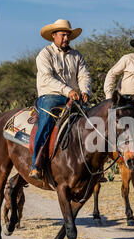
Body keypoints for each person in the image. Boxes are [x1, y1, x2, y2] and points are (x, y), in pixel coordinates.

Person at [30, 19, 91, 179]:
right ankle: (36, 163)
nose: (66, 38)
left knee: (92, 121)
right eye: (63, 35)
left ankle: (92, 165)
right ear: (54, 36)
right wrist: (68, 90)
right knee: (47, 120)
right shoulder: (45, 54)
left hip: (73, 96)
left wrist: (85, 90)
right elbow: (47, 78)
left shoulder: (77, 55)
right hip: (51, 96)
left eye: (68, 35)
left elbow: (84, 75)